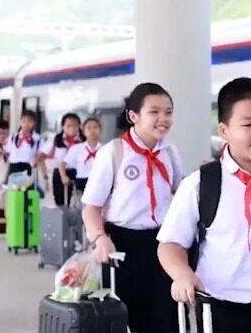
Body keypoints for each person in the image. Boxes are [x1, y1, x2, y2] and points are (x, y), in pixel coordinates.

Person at [157, 77, 251, 333]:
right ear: (224, 131)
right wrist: (182, 274)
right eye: (247, 124)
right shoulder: (202, 183)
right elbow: (170, 244)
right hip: (217, 309)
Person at [81, 83, 184, 333]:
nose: (163, 119)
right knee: (127, 317)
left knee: (164, 317)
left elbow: (179, 195)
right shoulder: (114, 152)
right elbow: (91, 207)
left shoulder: (170, 152)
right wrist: (100, 238)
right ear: (133, 116)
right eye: (154, 112)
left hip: (163, 245)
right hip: (122, 246)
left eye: (168, 112)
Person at [42, 113, 84, 206]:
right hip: (59, 173)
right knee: (60, 201)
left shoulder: (83, 140)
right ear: (63, 126)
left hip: (77, 173)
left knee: (78, 202)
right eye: (68, 126)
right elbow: (43, 153)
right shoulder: (56, 139)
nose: (72, 128)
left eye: (75, 126)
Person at [60, 117, 102, 195]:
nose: (92, 130)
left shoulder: (106, 149)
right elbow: (62, 164)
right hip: (81, 183)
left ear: (100, 130)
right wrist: (64, 176)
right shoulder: (77, 148)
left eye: (95, 127)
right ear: (83, 131)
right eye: (89, 128)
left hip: (100, 183)